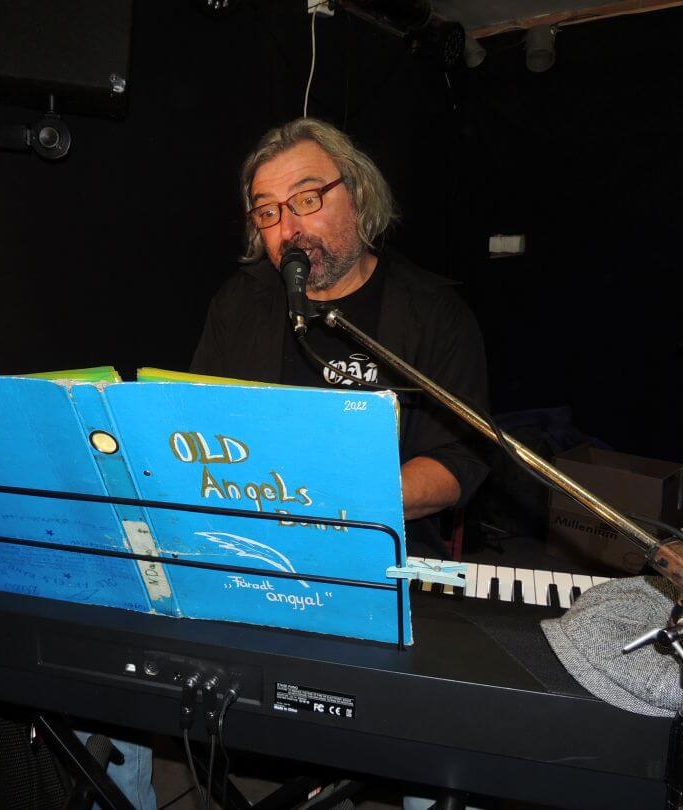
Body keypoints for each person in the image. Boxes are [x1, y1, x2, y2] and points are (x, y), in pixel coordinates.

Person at [191, 117, 490, 555]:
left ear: (358, 195)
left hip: (380, 541)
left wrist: (341, 501)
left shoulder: (433, 312)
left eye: (307, 199)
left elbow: (458, 461)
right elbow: (198, 425)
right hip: (254, 539)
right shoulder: (239, 303)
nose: (288, 230)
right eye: (269, 212)